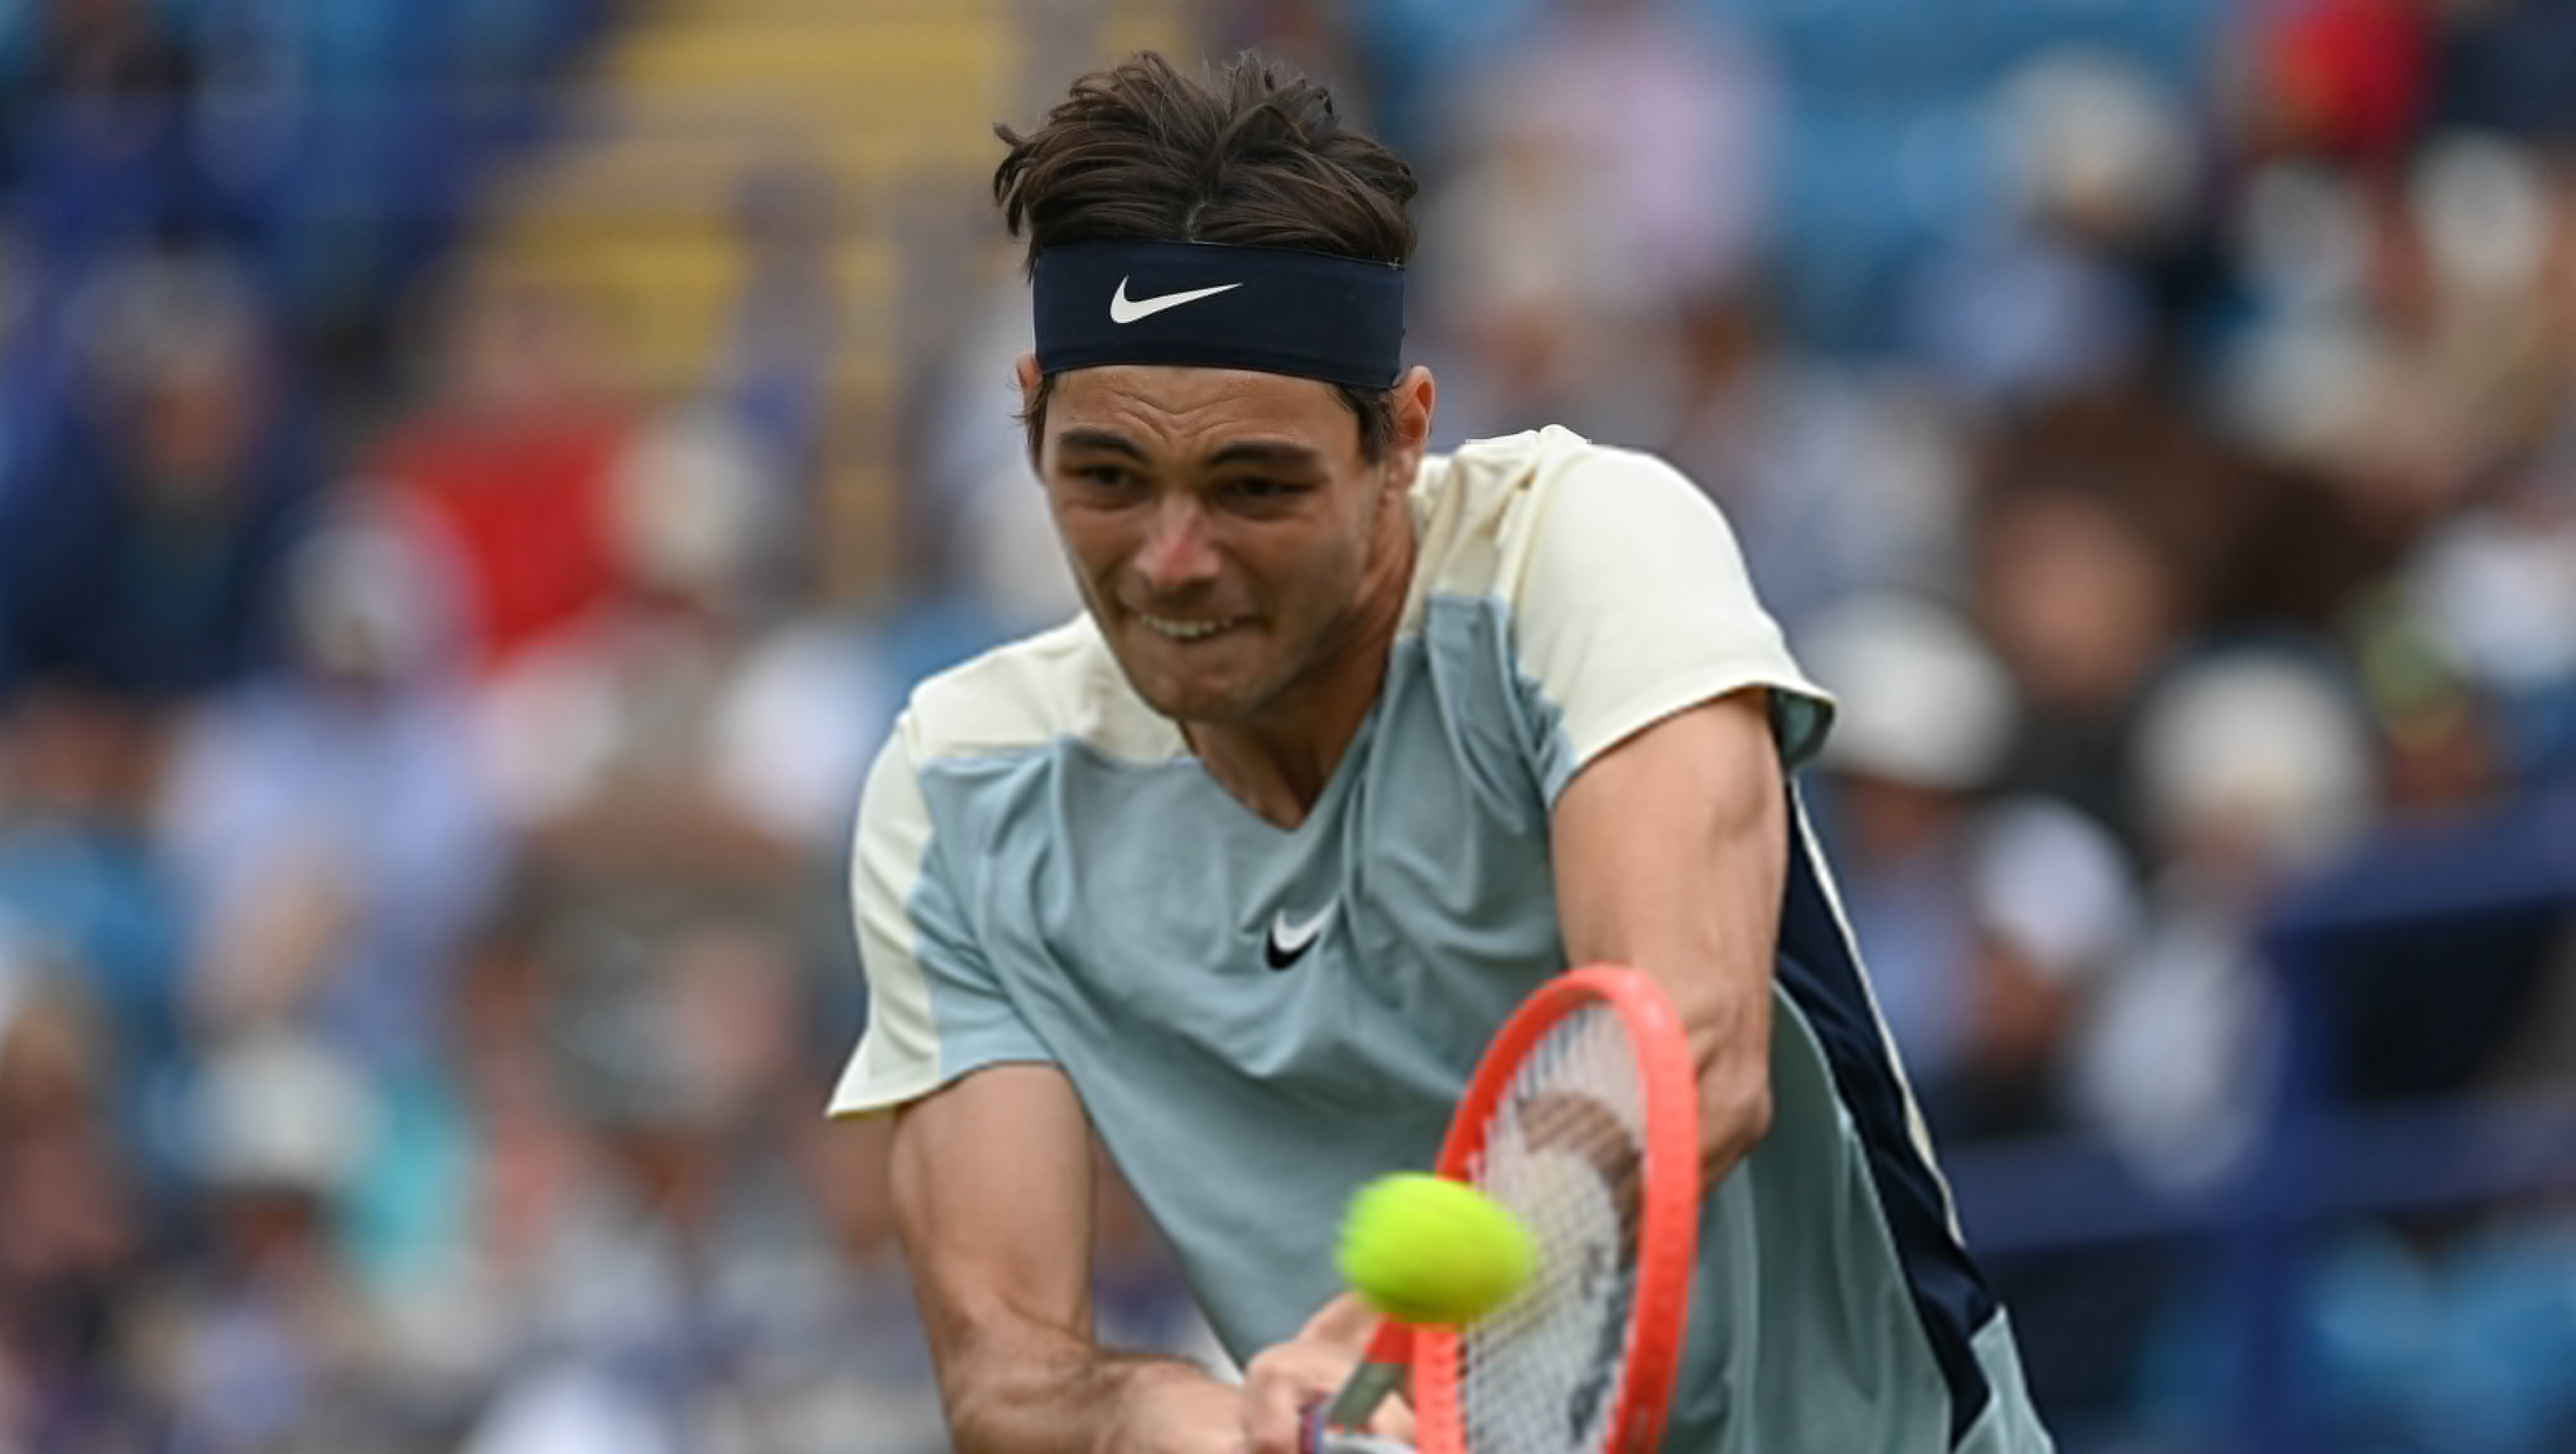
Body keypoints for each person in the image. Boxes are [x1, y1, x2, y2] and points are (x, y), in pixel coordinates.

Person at [828, 51, 2054, 1454]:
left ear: (1399, 438)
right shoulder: (956, 786)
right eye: (1105, 476)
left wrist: (1380, 1328)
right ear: (1030, 408)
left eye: (1255, 485)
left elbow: (1688, 1054)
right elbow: (1008, 1375)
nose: (1171, 560)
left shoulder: (1578, 551)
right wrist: (1221, 1426)